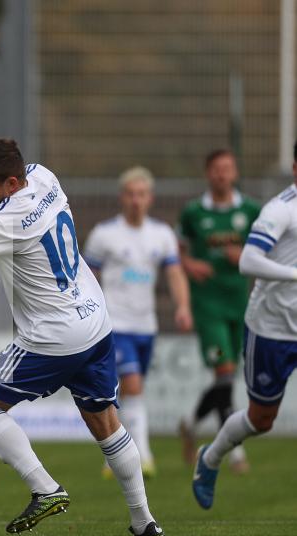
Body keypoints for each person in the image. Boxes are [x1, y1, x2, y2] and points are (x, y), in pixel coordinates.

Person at [0, 138, 165, 536]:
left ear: (11, 183)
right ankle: (144, 522)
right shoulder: (43, 176)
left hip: (53, 335)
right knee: (105, 421)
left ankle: (45, 488)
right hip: (94, 319)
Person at [192, 143, 297, 509]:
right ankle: (212, 457)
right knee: (261, 419)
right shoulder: (280, 209)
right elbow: (249, 261)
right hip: (272, 328)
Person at [84, 166, 193, 478]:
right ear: (122, 197)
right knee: (132, 385)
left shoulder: (162, 234)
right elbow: (88, 277)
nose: (136, 200)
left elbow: (174, 273)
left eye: (141, 194)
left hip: (147, 326)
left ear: (150, 198)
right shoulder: (105, 234)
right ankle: (142, 455)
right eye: (131, 194)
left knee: (130, 393)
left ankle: (113, 458)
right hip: (115, 325)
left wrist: (183, 306)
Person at [177, 150, 261, 470]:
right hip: (207, 303)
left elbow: (270, 250)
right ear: (207, 174)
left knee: (228, 376)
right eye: (216, 169)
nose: (222, 175)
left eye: (227, 169)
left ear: (235, 173)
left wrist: (246, 254)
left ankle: (190, 421)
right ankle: (235, 452)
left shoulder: (251, 210)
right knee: (224, 374)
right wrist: (190, 263)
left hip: (241, 303)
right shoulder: (194, 213)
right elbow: (177, 252)